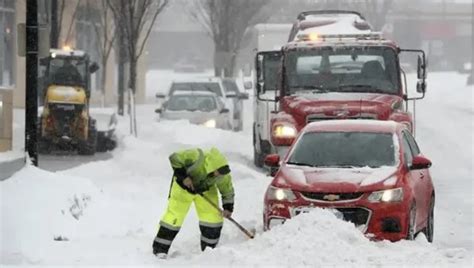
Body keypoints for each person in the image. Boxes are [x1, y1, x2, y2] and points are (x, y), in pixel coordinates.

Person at [152, 147, 235, 259]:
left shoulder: (222, 174)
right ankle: (160, 250)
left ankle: (210, 251)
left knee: (213, 219)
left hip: (205, 189)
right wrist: (184, 177)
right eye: (217, 173)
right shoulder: (196, 156)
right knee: (174, 217)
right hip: (183, 187)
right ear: (212, 166)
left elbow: (227, 189)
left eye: (220, 174)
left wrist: (228, 208)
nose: (218, 176)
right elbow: (174, 158)